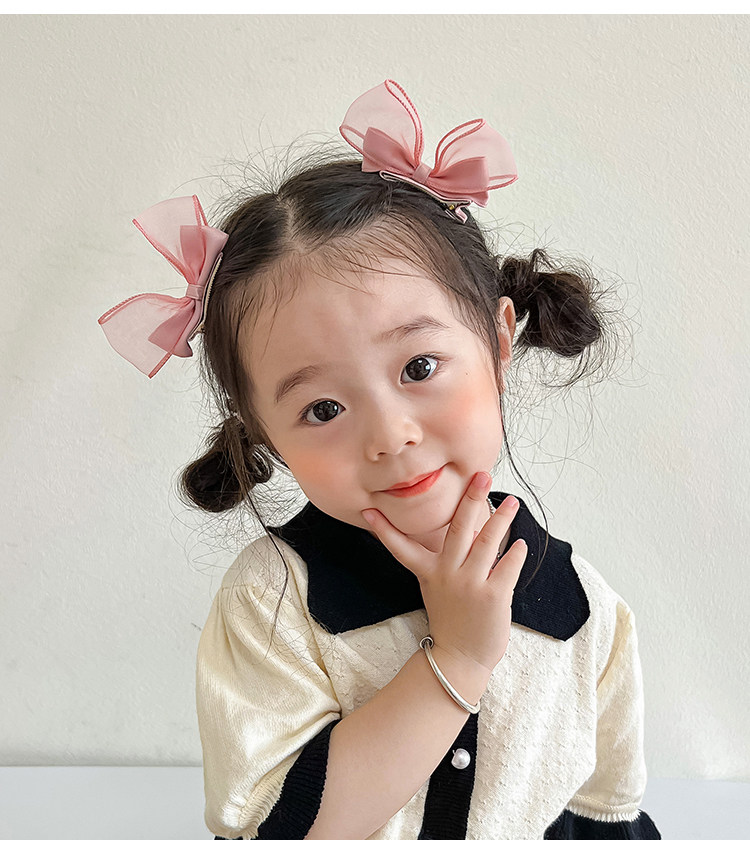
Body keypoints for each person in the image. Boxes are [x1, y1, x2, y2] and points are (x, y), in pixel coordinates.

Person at [98, 79, 661, 840]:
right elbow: (282, 831)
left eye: (419, 367)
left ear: (499, 342)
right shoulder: (276, 604)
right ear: (264, 435)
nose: (390, 436)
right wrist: (456, 660)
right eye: (323, 409)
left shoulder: (580, 605)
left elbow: (603, 817)